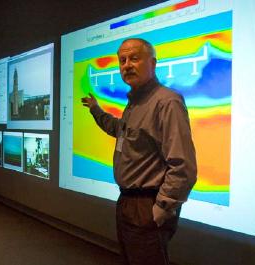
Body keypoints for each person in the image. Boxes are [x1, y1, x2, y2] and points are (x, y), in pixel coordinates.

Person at [81, 38, 197, 265]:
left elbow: (183, 165)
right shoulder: (134, 104)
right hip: (127, 202)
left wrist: (163, 207)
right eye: (122, 60)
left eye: (134, 58)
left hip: (147, 205)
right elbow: (120, 131)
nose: (126, 65)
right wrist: (96, 111)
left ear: (153, 63)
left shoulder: (166, 102)